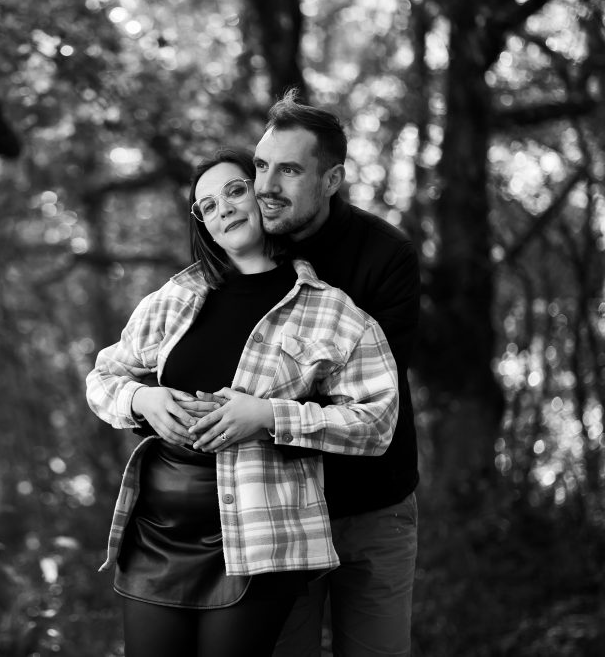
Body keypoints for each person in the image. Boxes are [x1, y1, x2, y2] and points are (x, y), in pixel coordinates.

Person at [85, 148, 400, 657]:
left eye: (234, 191)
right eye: (207, 206)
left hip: (259, 535)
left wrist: (269, 417)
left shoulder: (332, 311)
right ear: (204, 225)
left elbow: (376, 422)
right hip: (158, 534)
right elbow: (103, 375)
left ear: (261, 196)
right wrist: (142, 397)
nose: (224, 209)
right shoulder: (175, 297)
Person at [243, 90, 422, 657]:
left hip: (373, 507)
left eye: (289, 169)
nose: (266, 186)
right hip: (277, 510)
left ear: (332, 178)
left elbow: (369, 404)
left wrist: (266, 409)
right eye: (261, 165)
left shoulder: (386, 256)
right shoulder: (239, 252)